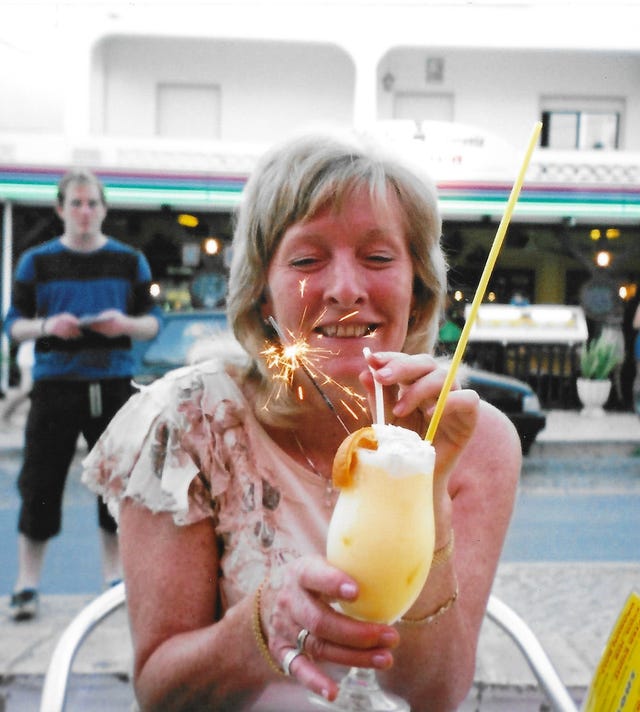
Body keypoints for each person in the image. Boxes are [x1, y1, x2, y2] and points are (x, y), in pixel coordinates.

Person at [82, 132, 521, 711]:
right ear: (264, 294)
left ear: (417, 290)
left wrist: (429, 491)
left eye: (379, 257)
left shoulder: (473, 439)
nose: (344, 289)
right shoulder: (190, 424)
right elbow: (162, 693)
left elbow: (432, 694)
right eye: (308, 260)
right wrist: (260, 628)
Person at [5, 168, 161, 621]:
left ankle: (114, 580)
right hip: (55, 385)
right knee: (39, 483)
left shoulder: (130, 261)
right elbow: (13, 324)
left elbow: (152, 321)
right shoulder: (36, 262)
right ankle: (27, 584)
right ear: (60, 209)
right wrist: (47, 327)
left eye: (92, 203)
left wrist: (124, 324)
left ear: (104, 209)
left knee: (116, 484)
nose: (85, 211)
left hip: (113, 383)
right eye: (76, 203)